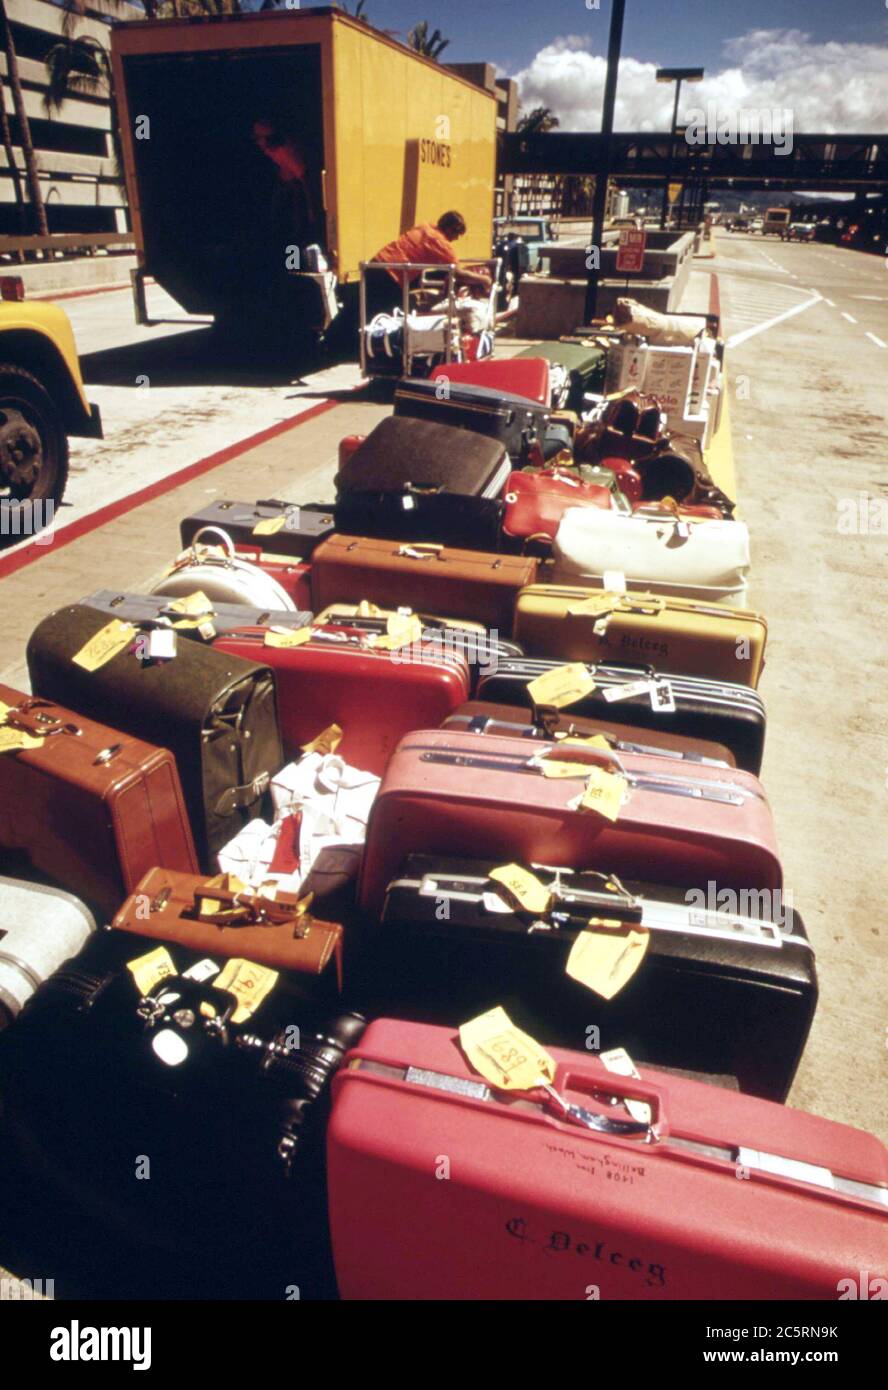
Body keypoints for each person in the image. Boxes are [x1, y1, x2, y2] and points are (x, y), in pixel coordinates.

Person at [364, 210, 492, 320]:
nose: (457, 238)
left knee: (366, 309)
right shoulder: (441, 244)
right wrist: (484, 279)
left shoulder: (424, 226)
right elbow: (458, 273)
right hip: (391, 276)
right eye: (457, 233)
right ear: (449, 229)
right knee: (397, 315)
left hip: (375, 264)